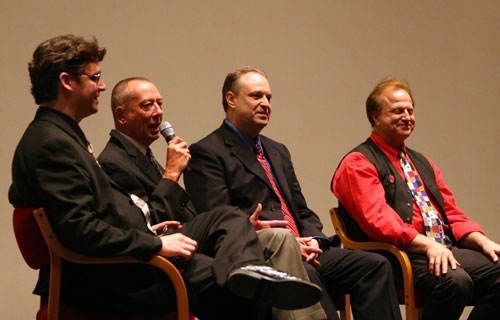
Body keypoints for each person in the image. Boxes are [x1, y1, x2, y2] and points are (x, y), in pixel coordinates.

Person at [8, 35, 322, 320]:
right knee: (239, 288)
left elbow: (104, 213)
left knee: (228, 220)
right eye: (95, 77)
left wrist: (152, 231)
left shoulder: (64, 136)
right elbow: (81, 231)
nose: (102, 86)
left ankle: (249, 269)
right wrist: (154, 244)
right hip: (117, 275)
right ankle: (253, 274)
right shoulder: (51, 144)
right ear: (67, 82)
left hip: (137, 248)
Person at [97, 77, 327, 320]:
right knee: (258, 274)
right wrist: (172, 174)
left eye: (160, 104)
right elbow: (150, 226)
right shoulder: (114, 162)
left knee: (280, 237)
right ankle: (247, 273)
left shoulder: (144, 156)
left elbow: (197, 219)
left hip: (194, 242)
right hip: (163, 257)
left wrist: (243, 229)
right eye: (147, 106)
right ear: (122, 116)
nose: (158, 113)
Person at [184, 66, 402, 320]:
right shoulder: (207, 152)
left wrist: (314, 240)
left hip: (306, 247)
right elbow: (217, 221)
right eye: (256, 96)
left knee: (374, 266)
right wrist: (288, 244)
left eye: (269, 98)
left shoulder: (277, 150)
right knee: (305, 278)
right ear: (231, 99)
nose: (265, 103)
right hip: (260, 254)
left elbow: (301, 210)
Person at [331, 77, 500, 320]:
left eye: (410, 111)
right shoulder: (358, 163)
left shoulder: (422, 163)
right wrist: (428, 244)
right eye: (397, 111)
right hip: (396, 255)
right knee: (454, 282)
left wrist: (480, 239)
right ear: (375, 117)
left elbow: (451, 213)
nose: (407, 117)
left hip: (441, 248)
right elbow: (379, 221)